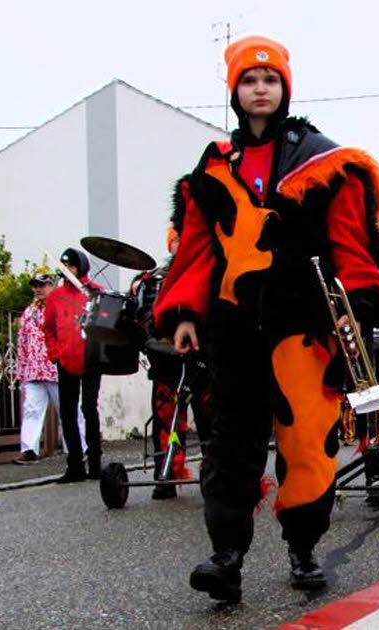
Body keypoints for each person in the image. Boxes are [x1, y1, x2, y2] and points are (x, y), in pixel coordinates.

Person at [153, 35, 379, 597]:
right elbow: (196, 247)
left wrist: (358, 306)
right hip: (233, 324)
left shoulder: (324, 158)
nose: (259, 89)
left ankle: (304, 548)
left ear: (284, 88)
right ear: (234, 90)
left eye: (270, 80)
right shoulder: (215, 166)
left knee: (307, 440)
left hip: (303, 325)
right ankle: (226, 556)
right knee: (230, 441)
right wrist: (186, 311)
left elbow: (351, 242)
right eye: (249, 80)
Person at [134, 185, 215, 500]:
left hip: (202, 355)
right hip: (165, 358)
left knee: (208, 415)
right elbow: (144, 314)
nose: (180, 244)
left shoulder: (206, 270)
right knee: (166, 415)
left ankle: (212, 472)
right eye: (176, 240)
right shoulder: (155, 277)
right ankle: (165, 474)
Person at [42, 248, 104, 483]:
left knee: (89, 408)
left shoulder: (96, 292)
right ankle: (75, 465)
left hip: (91, 360)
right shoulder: (55, 297)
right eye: (66, 267)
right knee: (67, 413)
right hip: (66, 361)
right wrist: (55, 353)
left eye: (73, 266)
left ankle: (95, 462)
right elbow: (48, 328)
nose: (69, 271)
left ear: (81, 267)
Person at [13, 273, 84, 464]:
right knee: (31, 410)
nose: (38, 289)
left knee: (68, 410)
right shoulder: (28, 313)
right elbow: (22, 342)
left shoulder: (59, 307)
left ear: (51, 286)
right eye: (35, 286)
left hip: (56, 369)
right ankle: (29, 449)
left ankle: (79, 448)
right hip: (34, 370)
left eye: (42, 285)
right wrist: (21, 369)